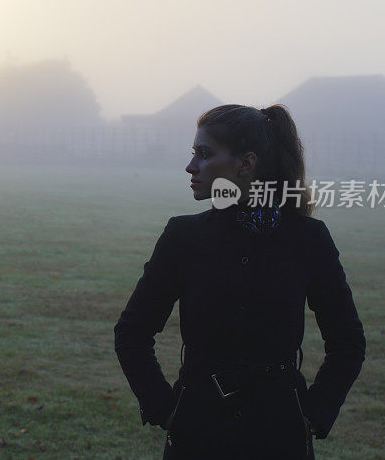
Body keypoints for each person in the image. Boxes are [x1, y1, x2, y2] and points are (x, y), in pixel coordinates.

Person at [113, 104, 366, 459]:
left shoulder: (308, 239)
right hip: (197, 435)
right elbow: (132, 333)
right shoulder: (183, 237)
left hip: (281, 436)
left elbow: (347, 341)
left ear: (246, 164)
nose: (191, 166)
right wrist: (165, 410)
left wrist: (313, 415)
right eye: (193, 154)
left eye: (204, 154)